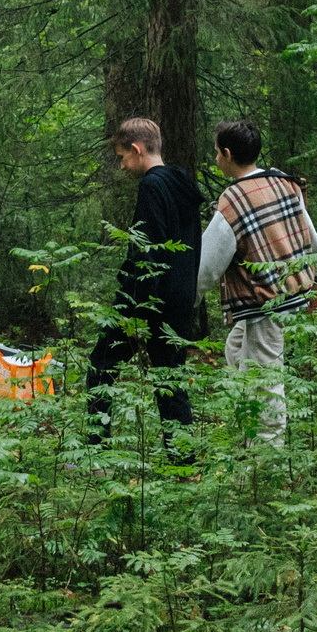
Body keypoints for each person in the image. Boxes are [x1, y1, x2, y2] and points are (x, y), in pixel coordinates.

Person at [196, 118, 317, 440]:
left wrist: (188, 298)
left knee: (265, 376)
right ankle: (248, 424)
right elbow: (307, 235)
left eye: (216, 153)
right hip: (294, 289)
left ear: (227, 154)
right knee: (236, 347)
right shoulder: (284, 183)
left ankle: (268, 454)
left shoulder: (234, 199)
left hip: (265, 300)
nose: (215, 159)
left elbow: (207, 265)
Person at [87, 117, 201, 435]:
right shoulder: (183, 184)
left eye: (123, 157)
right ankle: (184, 464)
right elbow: (192, 249)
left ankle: (95, 454)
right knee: (170, 382)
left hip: (146, 303)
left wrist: (135, 312)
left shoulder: (152, 186)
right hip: (179, 301)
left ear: (137, 150)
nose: (122, 166)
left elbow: (146, 253)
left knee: (100, 367)